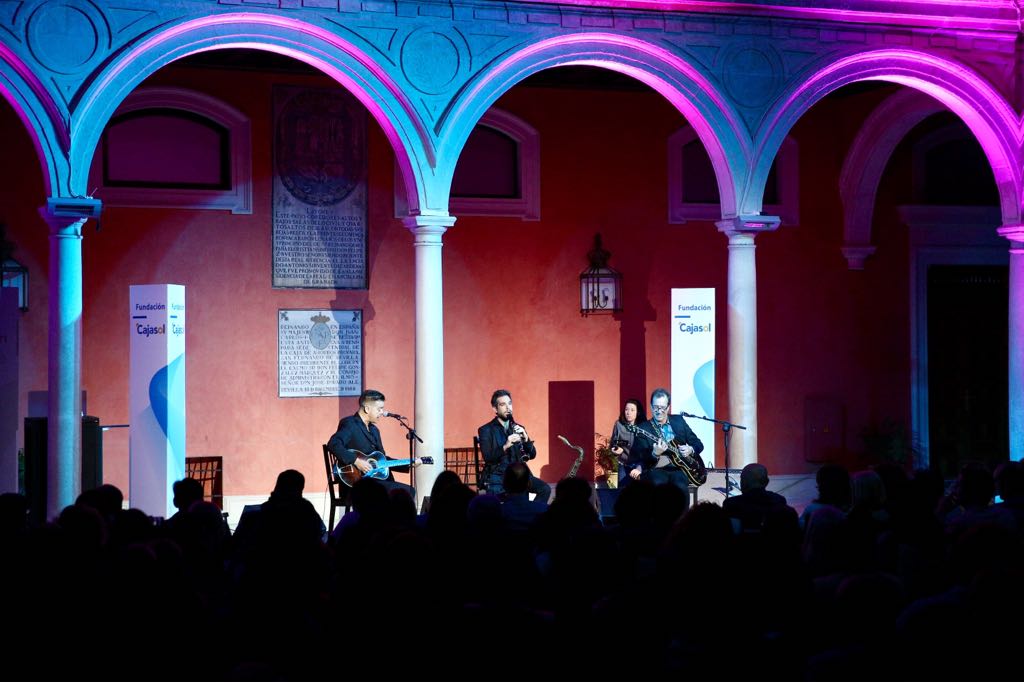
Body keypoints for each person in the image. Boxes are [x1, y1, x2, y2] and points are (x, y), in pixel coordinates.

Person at [327, 389, 421, 498]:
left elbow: (382, 460)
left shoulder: (374, 430)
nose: (382, 413)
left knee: (406, 491)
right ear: (367, 409)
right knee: (405, 493)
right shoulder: (350, 424)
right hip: (356, 484)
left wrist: (408, 464)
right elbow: (333, 444)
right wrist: (356, 461)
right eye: (379, 409)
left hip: (376, 481)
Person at [477, 389, 552, 502]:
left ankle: (532, 515)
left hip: (519, 474)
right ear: (495, 409)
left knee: (545, 489)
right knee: (505, 501)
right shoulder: (486, 430)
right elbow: (488, 457)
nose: (508, 408)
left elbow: (532, 455)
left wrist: (526, 439)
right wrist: (506, 445)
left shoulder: (518, 427)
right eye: (503, 404)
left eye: (510, 403)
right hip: (498, 476)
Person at [631, 387, 705, 495]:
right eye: (656, 407)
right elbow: (641, 458)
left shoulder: (679, 421)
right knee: (658, 484)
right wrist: (655, 454)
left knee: (680, 486)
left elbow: (698, 444)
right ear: (651, 407)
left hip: (680, 468)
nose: (659, 411)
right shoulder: (643, 429)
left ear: (668, 407)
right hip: (657, 469)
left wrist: (691, 449)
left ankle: (683, 512)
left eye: (662, 408)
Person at [609, 398, 646, 486]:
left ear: (638, 412)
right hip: (623, 463)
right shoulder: (618, 424)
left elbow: (647, 452)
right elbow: (612, 444)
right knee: (623, 488)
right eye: (626, 409)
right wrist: (615, 450)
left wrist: (640, 467)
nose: (628, 413)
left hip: (639, 464)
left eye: (632, 410)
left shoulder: (644, 427)